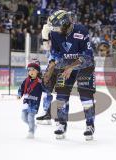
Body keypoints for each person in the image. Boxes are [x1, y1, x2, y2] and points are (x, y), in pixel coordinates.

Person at [43, 10, 96, 140]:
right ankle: (61, 123)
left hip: (84, 65)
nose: (54, 30)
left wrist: (72, 67)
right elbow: (55, 52)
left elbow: (87, 55)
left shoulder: (81, 31)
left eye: (57, 26)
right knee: (61, 95)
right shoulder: (54, 33)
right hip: (65, 65)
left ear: (65, 24)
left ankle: (90, 125)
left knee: (85, 95)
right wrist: (51, 66)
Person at [17, 60, 43, 139]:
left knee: (30, 117)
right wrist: (19, 94)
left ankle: (31, 131)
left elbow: (46, 89)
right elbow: (21, 88)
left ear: (37, 71)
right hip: (26, 102)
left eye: (33, 70)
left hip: (34, 103)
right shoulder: (26, 80)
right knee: (24, 117)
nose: (31, 72)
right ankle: (33, 126)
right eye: (29, 70)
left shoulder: (40, 82)